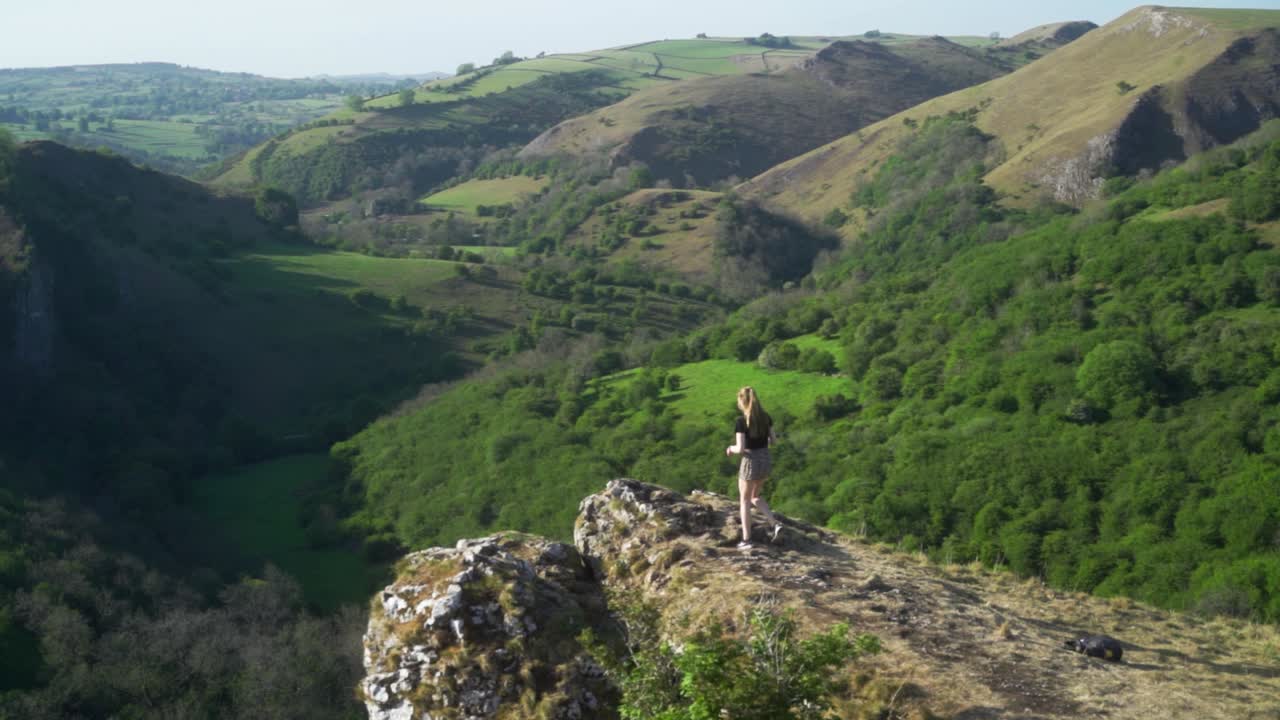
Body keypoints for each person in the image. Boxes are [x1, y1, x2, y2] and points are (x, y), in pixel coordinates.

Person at [725, 386, 781, 549]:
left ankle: (747, 540)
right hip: (765, 459)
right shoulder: (765, 418)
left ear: (742, 401)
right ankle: (775, 524)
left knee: (744, 501)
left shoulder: (741, 422)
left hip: (750, 461)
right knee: (755, 496)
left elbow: (740, 448)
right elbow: (774, 441)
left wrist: (730, 448)